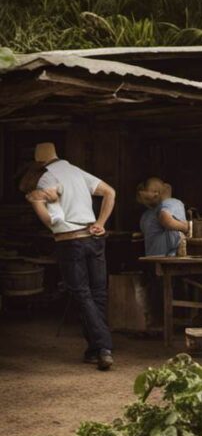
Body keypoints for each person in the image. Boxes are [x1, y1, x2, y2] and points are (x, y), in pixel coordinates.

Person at [24, 143, 117, 370]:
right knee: (98, 293)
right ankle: (95, 349)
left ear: (38, 163)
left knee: (81, 294)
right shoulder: (77, 172)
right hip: (94, 238)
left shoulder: (46, 178)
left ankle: (104, 347)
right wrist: (100, 223)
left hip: (70, 240)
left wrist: (37, 202)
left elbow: (49, 221)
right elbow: (110, 192)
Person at [138, 176, 189, 257]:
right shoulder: (171, 202)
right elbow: (165, 219)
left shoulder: (145, 216)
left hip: (152, 258)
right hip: (169, 259)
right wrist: (186, 227)